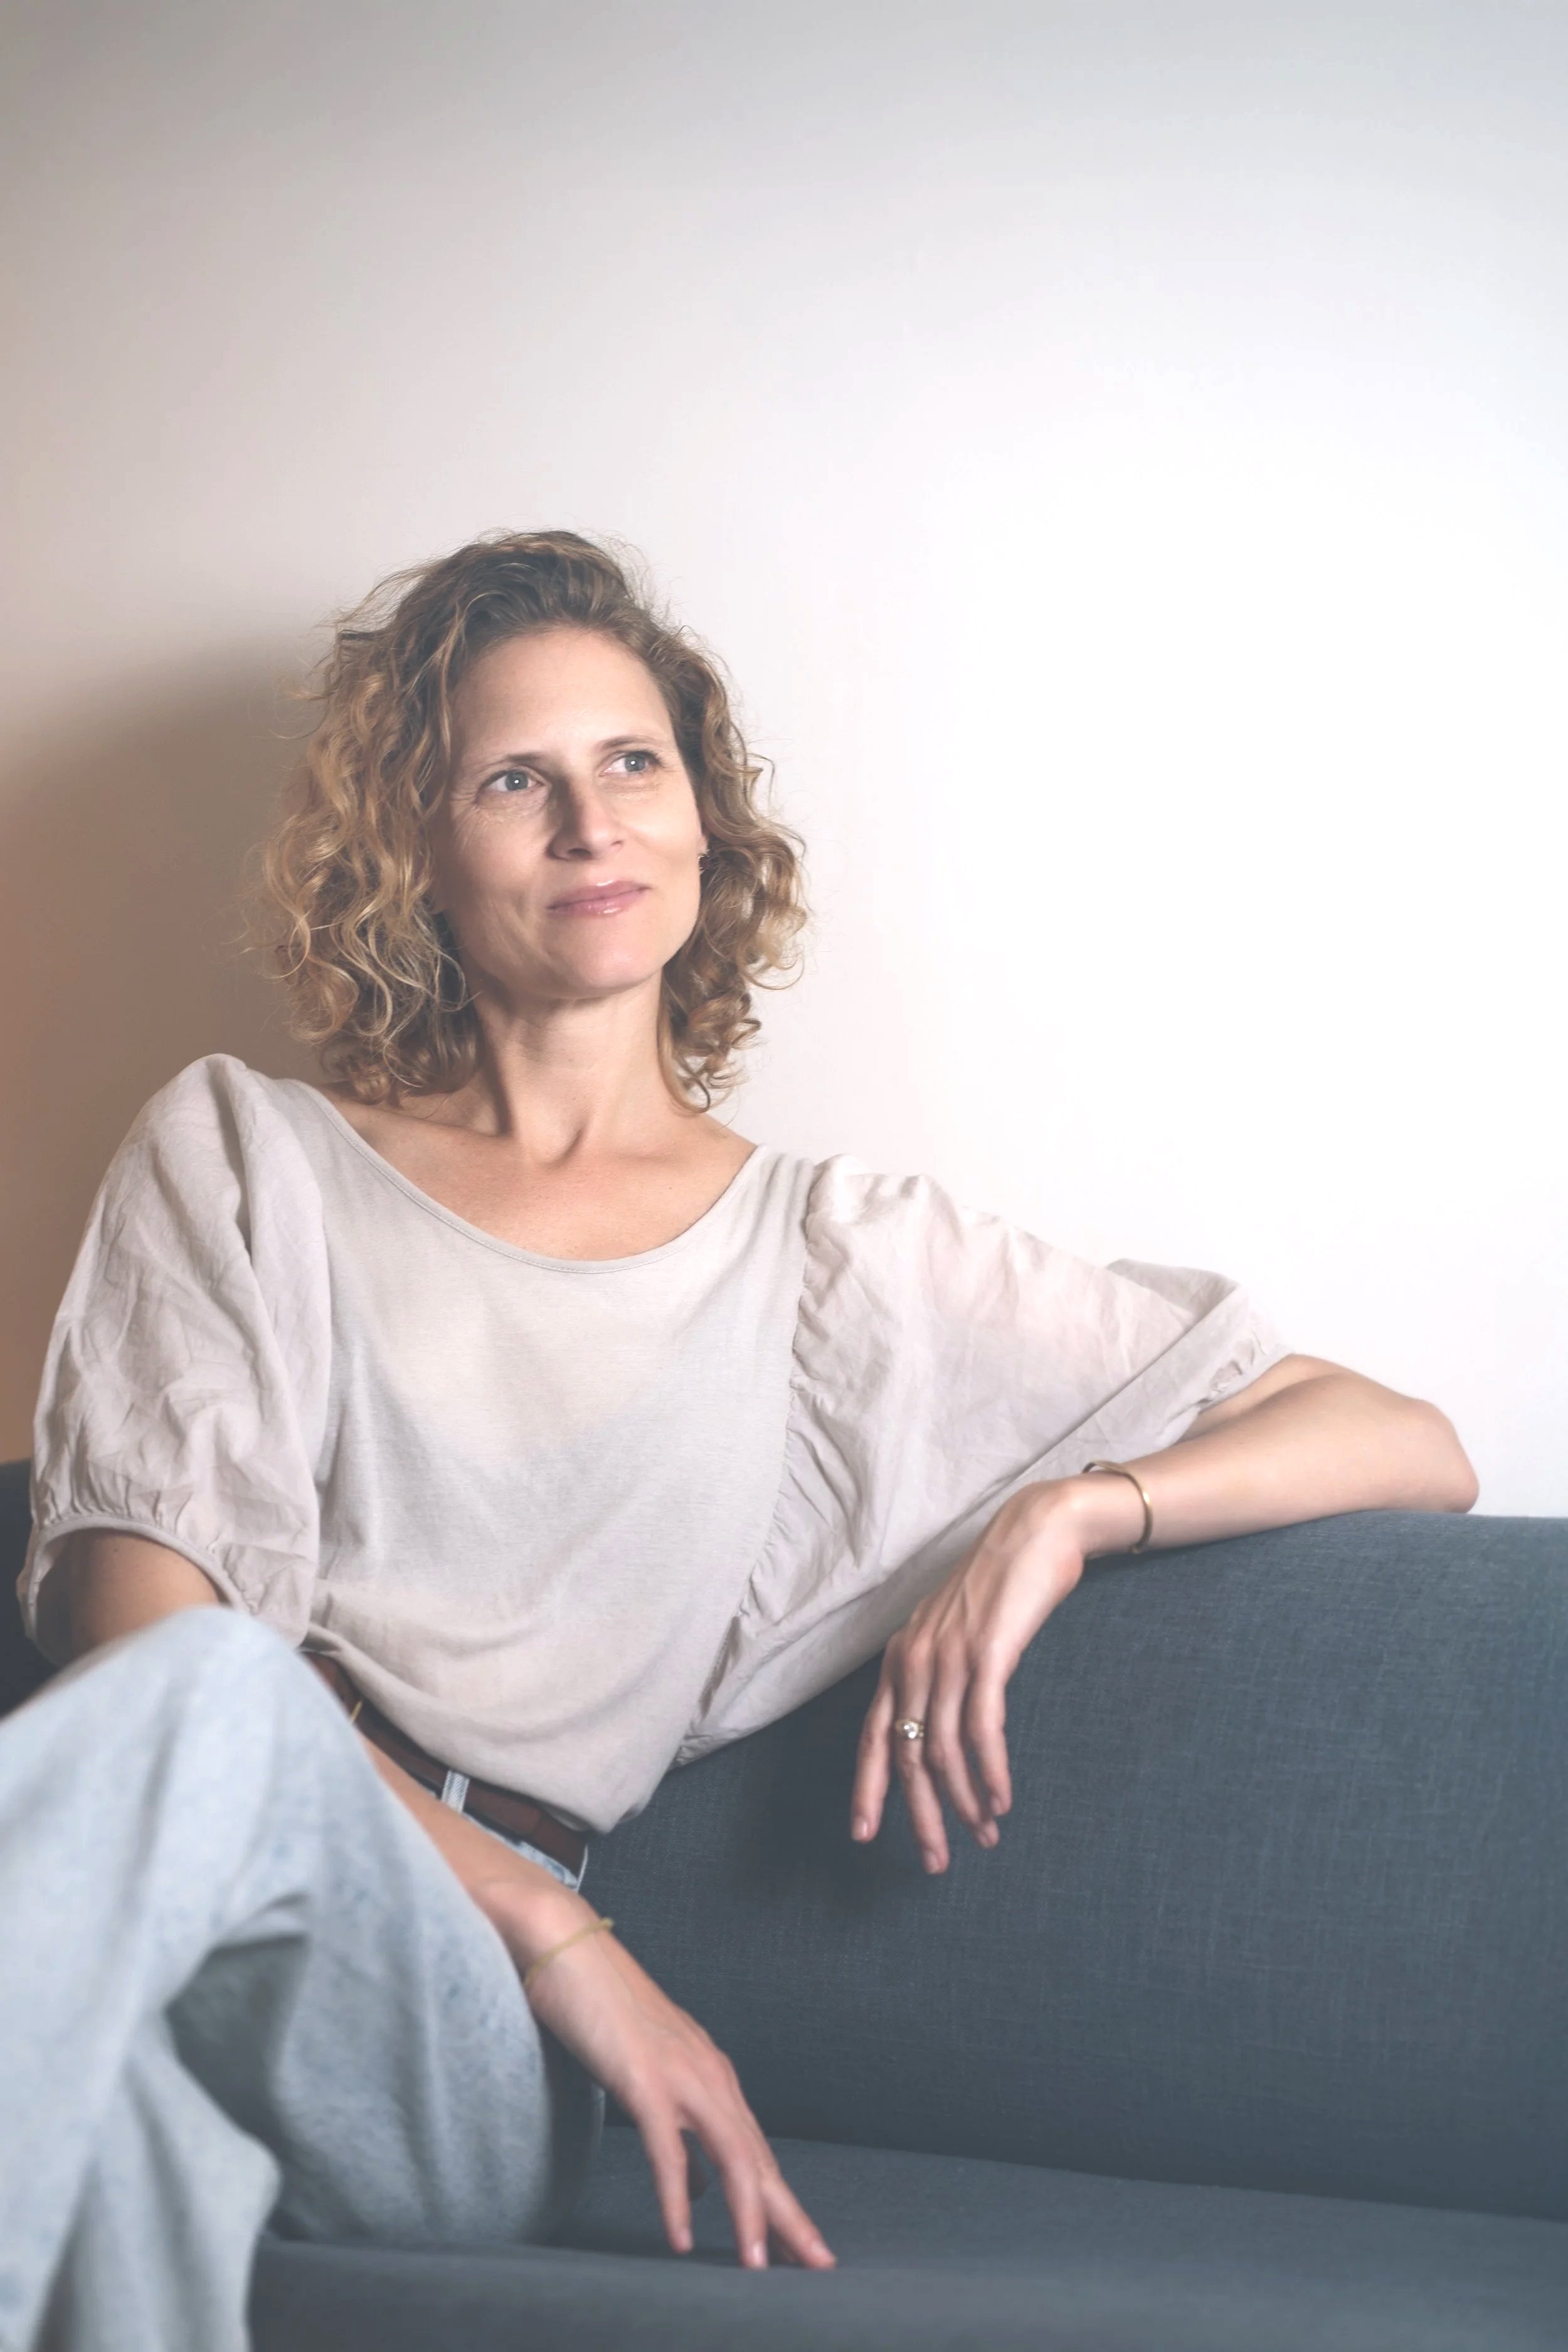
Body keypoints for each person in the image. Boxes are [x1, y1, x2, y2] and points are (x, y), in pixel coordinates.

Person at [4, 531, 1477, 2351]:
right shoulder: (244, 1158)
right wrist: (584, 1955)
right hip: (169, 1935)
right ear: (421, 858)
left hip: (445, 2032)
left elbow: (1403, 1441)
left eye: (633, 762)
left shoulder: (841, 1262)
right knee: (135, 2140)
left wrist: (1072, 1514)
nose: (589, 821)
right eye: (511, 778)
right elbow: (138, 1630)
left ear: (704, 822)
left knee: (224, 1723)